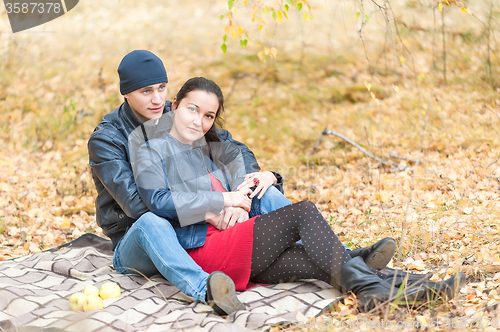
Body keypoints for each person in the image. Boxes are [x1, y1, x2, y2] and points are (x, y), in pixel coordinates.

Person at [131, 76, 466, 312]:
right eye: (192, 110)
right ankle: (372, 289)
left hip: (237, 247)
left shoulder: (210, 146)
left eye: (208, 115)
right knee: (303, 213)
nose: (199, 121)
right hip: (206, 248)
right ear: (175, 105)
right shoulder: (151, 150)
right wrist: (224, 202)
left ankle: (413, 288)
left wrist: (254, 187)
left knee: (321, 262)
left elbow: (245, 169)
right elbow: (158, 202)